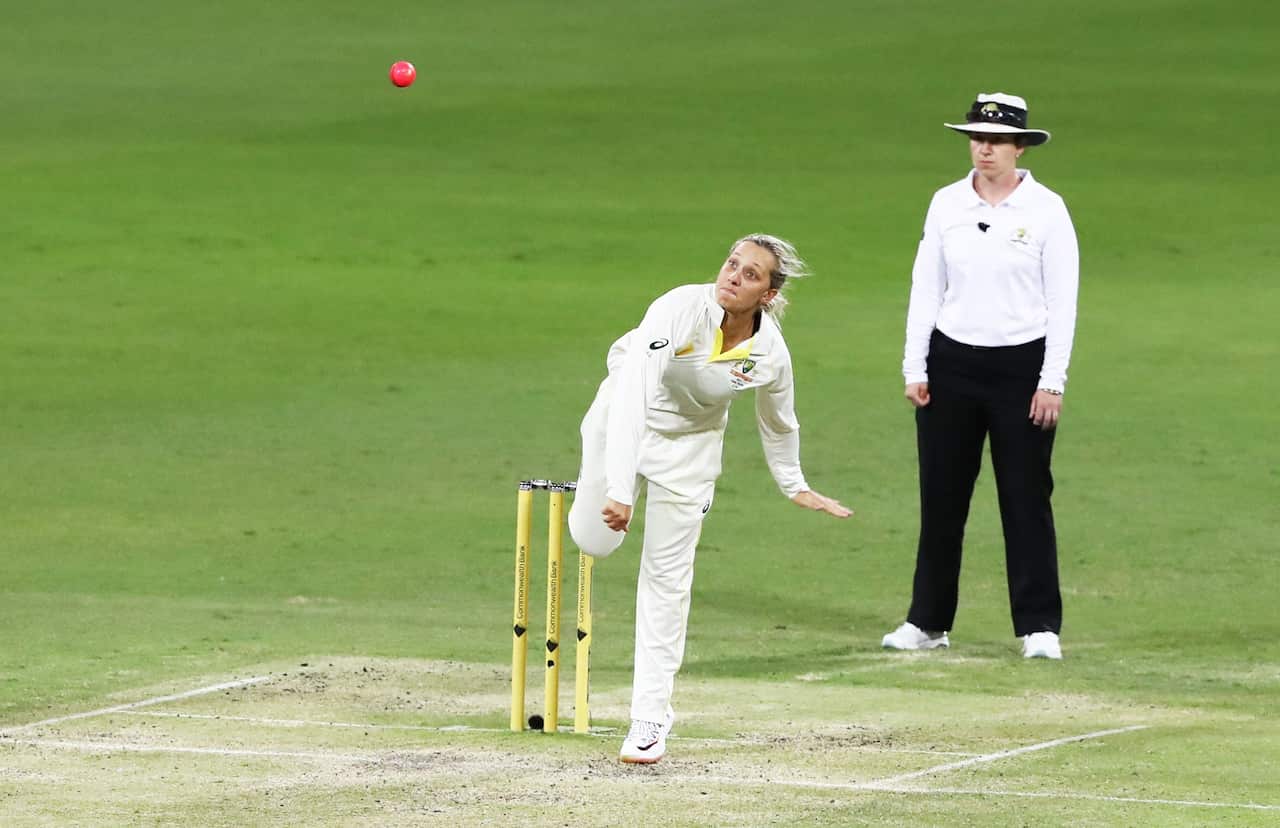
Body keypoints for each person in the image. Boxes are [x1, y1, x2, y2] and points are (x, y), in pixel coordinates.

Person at [568, 234, 852, 764]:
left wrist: (795, 485)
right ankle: (597, 490)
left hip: (691, 453)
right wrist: (620, 487)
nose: (732, 277)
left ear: (768, 295)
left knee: (668, 579)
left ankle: (650, 718)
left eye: (750, 274)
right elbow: (633, 393)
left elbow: (779, 421)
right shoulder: (678, 307)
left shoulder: (769, 353)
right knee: (593, 540)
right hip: (623, 425)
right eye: (731, 264)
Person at [882, 93, 1079, 660]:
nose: (984, 149)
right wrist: (914, 366)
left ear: (1019, 146)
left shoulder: (1047, 210)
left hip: (1022, 368)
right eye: (977, 138)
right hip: (951, 366)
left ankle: (1039, 626)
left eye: (995, 140)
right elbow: (927, 286)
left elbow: (1062, 302)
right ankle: (928, 621)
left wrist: (1052, 380)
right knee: (941, 498)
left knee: (1025, 497)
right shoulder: (946, 204)